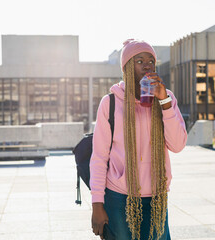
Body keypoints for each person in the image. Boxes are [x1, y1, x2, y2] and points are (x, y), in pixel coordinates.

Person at [90, 39, 187, 240]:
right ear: (127, 67)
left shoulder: (167, 98)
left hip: (157, 198)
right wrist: (97, 204)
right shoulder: (110, 103)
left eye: (151, 60)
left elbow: (177, 145)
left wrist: (164, 102)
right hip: (119, 198)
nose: (147, 65)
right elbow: (99, 157)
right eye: (139, 61)